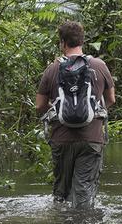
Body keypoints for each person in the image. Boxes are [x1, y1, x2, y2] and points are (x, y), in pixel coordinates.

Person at [35, 21, 116, 207]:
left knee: (61, 194)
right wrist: (93, 114)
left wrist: (58, 111)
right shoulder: (99, 65)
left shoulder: (52, 68)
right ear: (82, 41)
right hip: (91, 139)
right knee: (84, 191)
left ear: (62, 42)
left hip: (61, 139)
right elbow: (111, 99)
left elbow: (39, 106)